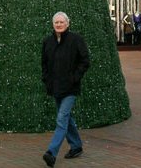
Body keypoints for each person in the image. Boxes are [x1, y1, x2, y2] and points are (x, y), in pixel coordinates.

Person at [41, 12, 90, 166]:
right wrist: (47, 80)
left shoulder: (76, 40)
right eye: (56, 22)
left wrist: (74, 78)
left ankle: (51, 152)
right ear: (53, 24)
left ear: (67, 24)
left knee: (62, 119)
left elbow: (85, 60)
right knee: (67, 119)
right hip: (55, 88)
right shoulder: (48, 42)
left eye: (62, 22)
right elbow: (44, 64)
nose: (59, 24)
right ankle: (76, 146)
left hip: (70, 88)